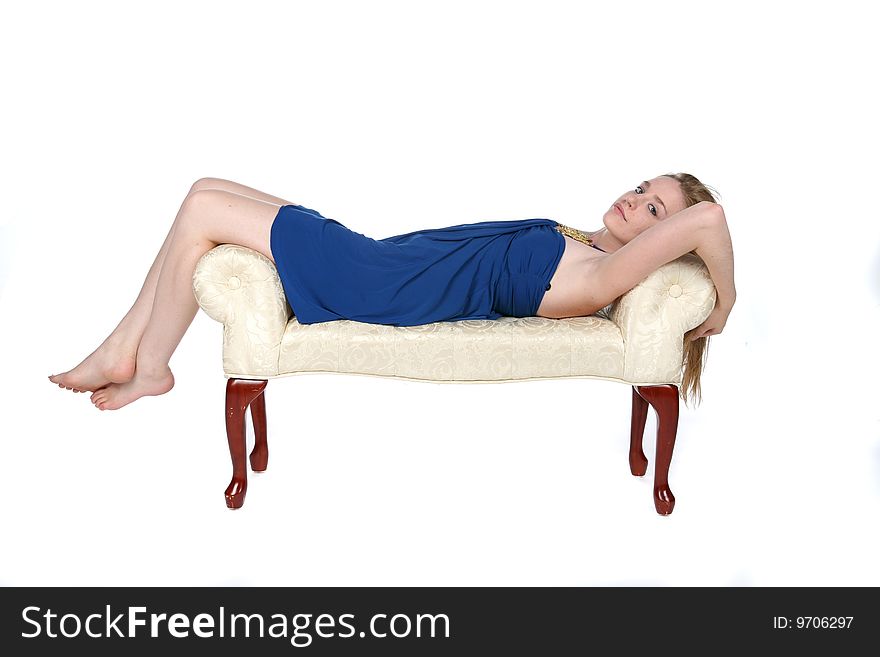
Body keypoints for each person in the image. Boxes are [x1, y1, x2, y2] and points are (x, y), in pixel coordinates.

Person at [48, 173, 735, 410]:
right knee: (202, 189)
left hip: (376, 285)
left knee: (202, 211)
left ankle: (144, 362)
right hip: (378, 257)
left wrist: (724, 305)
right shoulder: (584, 244)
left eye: (653, 211)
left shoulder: (602, 277)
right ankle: (128, 349)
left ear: (662, 243)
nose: (635, 200)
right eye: (644, 189)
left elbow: (709, 219)